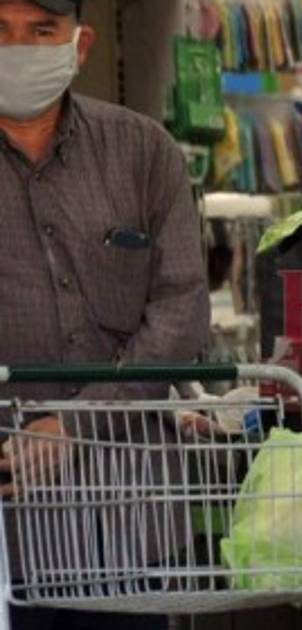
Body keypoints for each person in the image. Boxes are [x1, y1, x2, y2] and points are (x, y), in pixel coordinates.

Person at [0, 0, 208, 627]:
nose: (19, 48)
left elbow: (181, 310)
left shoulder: (142, 151)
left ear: (80, 45)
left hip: (131, 519)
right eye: (1, 31)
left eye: (42, 31)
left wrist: (73, 425)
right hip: (11, 537)